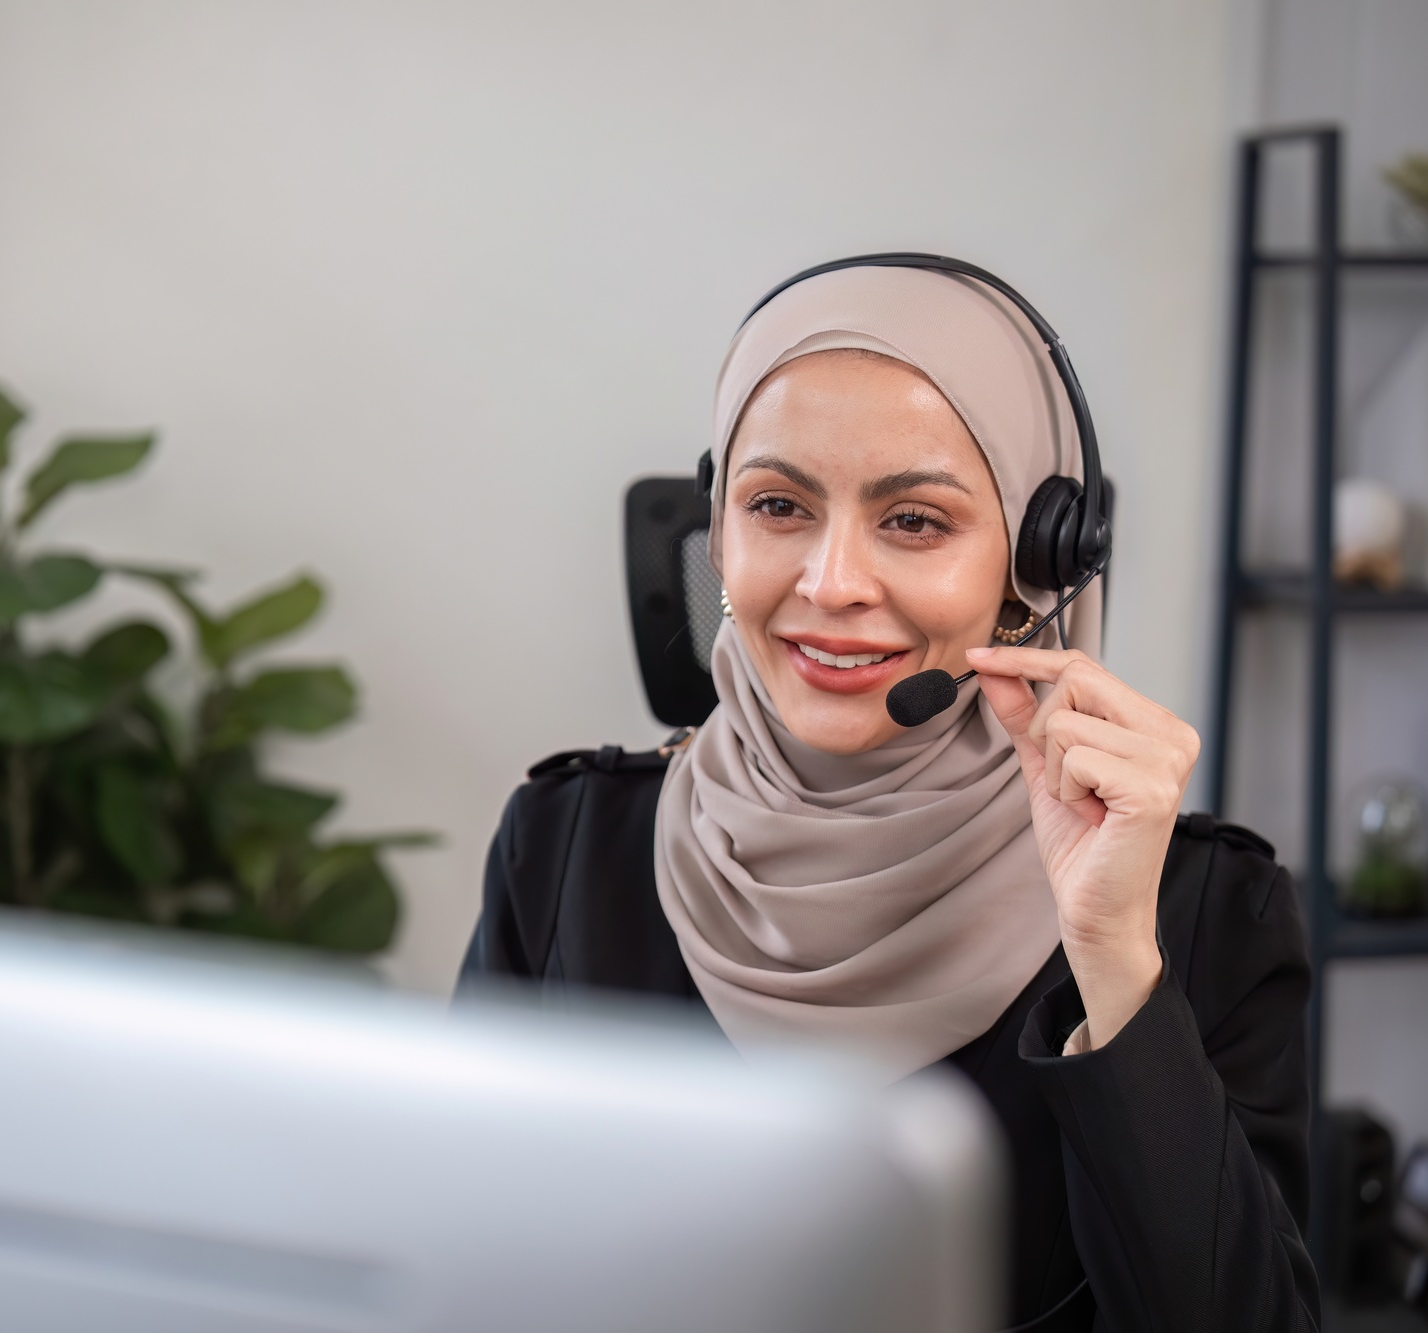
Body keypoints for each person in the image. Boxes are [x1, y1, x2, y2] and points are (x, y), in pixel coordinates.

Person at [459, 261, 1319, 1332]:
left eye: (913, 521)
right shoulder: (563, 849)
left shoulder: (1192, 910)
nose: (829, 584)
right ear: (715, 528)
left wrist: (1113, 969)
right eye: (776, 505)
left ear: (1037, 558)